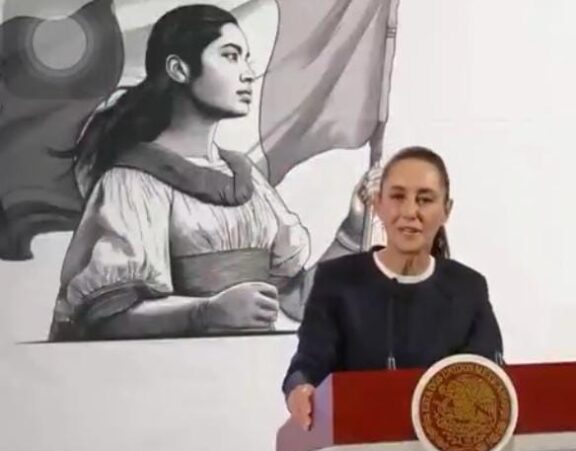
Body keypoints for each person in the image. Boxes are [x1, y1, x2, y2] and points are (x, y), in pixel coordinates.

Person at [47, 4, 377, 341]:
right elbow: (106, 317)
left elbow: (297, 301)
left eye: (246, 58)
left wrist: (352, 230)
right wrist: (207, 312)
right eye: (230, 56)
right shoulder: (132, 182)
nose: (247, 73)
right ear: (179, 69)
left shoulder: (247, 180)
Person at [282, 145, 504, 451]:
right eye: (398, 197)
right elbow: (310, 361)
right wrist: (299, 388)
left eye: (425, 199)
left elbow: (487, 377)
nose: (410, 212)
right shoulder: (337, 281)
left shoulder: (467, 288)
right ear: (378, 204)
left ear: (446, 210)